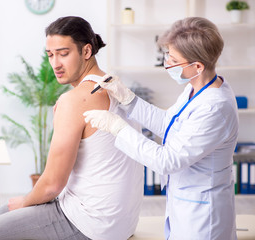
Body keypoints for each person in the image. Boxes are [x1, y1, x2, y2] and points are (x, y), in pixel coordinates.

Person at [0, 16, 144, 240]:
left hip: (92, 224)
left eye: (63, 53)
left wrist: (24, 201)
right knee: (4, 213)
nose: (55, 63)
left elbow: (53, 184)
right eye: (50, 55)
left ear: (86, 51)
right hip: (121, 222)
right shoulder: (115, 85)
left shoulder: (74, 100)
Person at [84, 17, 239, 240]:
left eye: (174, 59)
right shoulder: (196, 87)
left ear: (197, 66)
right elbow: (168, 123)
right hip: (184, 204)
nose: (167, 62)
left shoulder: (215, 107)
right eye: (168, 55)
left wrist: (117, 127)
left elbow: (167, 161)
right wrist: (128, 99)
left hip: (204, 219)